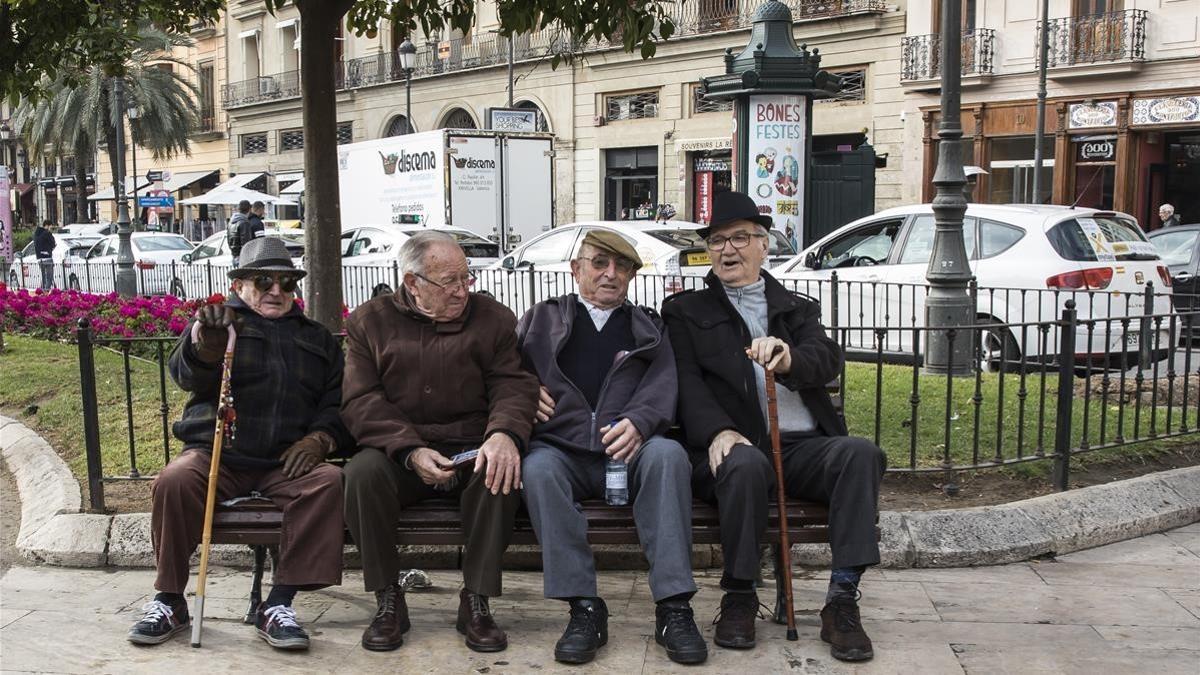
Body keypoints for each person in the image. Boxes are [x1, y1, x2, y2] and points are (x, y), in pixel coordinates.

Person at [662, 190, 886, 663]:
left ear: (764, 245)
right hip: (733, 445)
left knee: (859, 454)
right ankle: (740, 596)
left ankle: (841, 601)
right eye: (718, 240)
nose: (727, 249)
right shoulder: (686, 311)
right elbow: (685, 382)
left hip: (802, 446)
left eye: (740, 238)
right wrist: (717, 431)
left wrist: (790, 358)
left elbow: (826, 360)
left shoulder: (795, 308)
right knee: (741, 465)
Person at [127, 236, 352, 651]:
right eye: (264, 280)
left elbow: (337, 402)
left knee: (328, 481)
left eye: (287, 283)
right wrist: (206, 345)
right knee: (173, 481)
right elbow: (185, 374)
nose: (276, 291)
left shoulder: (317, 338)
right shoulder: (219, 324)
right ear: (239, 284)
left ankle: (279, 603)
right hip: (218, 454)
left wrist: (321, 438)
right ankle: (170, 598)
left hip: (285, 461)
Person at [341, 231, 538, 654]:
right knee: (361, 474)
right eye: (449, 282)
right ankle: (388, 598)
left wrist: (503, 433)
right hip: (401, 452)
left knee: (499, 471)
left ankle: (477, 599)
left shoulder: (493, 318)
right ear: (413, 283)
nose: (462, 291)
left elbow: (513, 384)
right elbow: (361, 400)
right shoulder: (368, 322)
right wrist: (409, 450)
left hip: (471, 446)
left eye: (466, 279)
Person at [517, 230, 708, 666]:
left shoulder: (647, 326)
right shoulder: (540, 319)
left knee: (668, 456)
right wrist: (524, 391)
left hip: (629, 450)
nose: (611, 274)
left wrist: (640, 422)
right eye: (600, 263)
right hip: (559, 448)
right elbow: (506, 371)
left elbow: (665, 382)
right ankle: (584, 607)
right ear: (576, 268)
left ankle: (674, 608)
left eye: (622, 267)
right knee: (537, 470)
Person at [227, 200, 252, 267]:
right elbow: (246, 242)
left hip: (234, 255)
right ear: (249, 209)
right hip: (243, 256)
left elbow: (228, 239)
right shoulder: (244, 222)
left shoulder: (231, 222)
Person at [33, 219, 56, 290]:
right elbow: (53, 243)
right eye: (51, 227)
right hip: (47, 258)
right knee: (49, 277)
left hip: (39, 258)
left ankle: (43, 291)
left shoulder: (36, 234)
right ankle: (47, 291)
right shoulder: (47, 233)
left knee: (43, 277)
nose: (51, 229)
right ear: (47, 226)